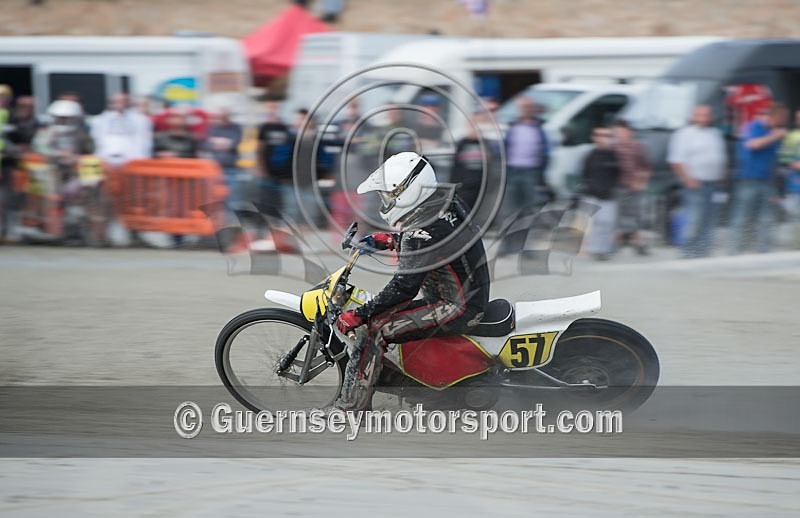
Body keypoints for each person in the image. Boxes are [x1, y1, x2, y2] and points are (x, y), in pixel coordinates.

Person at [332, 152, 490, 412]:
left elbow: (404, 287)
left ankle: (351, 409)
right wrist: (393, 240)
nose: (385, 202)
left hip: (455, 305)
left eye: (387, 195)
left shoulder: (421, 231)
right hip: (470, 292)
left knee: (375, 329)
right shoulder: (444, 202)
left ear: (405, 191)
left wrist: (359, 315)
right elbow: (440, 243)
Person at [667, 104, 728, 258]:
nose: (703, 118)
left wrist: (721, 173)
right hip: (695, 183)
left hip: (713, 183)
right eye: (700, 115)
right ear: (693, 116)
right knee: (694, 218)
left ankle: (703, 251)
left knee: (709, 219)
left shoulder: (714, 133)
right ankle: (688, 251)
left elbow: (720, 156)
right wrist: (687, 179)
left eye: (706, 115)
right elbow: (676, 160)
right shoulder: (685, 134)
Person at [729, 103, 789, 254]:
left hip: (768, 182)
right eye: (781, 119)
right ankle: (735, 252)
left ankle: (764, 252)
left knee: (766, 220)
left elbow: (777, 159)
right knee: (742, 218)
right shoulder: (751, 126)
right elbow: (753, 145)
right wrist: (774, 136)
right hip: (748, 181)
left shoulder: (774, 132)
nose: (782, 122)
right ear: (772, 116)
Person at [500, 96, 549, 253]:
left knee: (529, 211)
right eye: (523, 107)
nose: (526, 109)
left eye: (529, 106)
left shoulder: (538, 127)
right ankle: (507, 245)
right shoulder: (513, 126)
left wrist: (542, 175)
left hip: (531, 171)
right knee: (510, 211)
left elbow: (546, 152)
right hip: (513, 170)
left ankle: (526, 247)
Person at [580, 126, 621, 261]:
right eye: (601, 135)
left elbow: (617, 174)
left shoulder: (614, 156)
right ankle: (595, 249)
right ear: (595, 138)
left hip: (608, 196)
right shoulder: (590, 155)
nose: (604, 139)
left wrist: (611, 188)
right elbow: (585, 175)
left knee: (607, 223)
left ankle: (604, 249)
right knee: (596, 224)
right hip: (592, 195)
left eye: (607, 136)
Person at [612, 118, 652, 255]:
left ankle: (638, 241)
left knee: (635, 215)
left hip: (634, 186)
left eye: (622, 132)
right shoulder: (614, 148)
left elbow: (645, 167)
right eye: (617, 132)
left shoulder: (638, 147)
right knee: (618, 215)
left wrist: (641, 181)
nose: (620, 135)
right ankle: (616, 241)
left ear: (629, 132)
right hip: (618, 186)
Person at [91, 92, 153, 168]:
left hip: (132, 160)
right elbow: (98, 139)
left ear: (129, 102)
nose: (121, 104)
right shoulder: (101, 120)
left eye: (124, 101)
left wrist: (143, 159)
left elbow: (145, 140)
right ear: (111, 102)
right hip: (106, 159)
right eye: (117, 101)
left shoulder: (141, 119)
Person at [203, 107, 243, 204]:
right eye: (222, 115)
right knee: (212, 194)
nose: (224, 117)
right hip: (214, 166)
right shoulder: (212, 127)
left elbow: (234, 144)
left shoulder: (236, 127)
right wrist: (225, 143)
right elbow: (208, 144)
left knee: (232, 194)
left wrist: (217, 142)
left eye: (226, 115)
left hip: (230, 166)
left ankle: (232, 217)